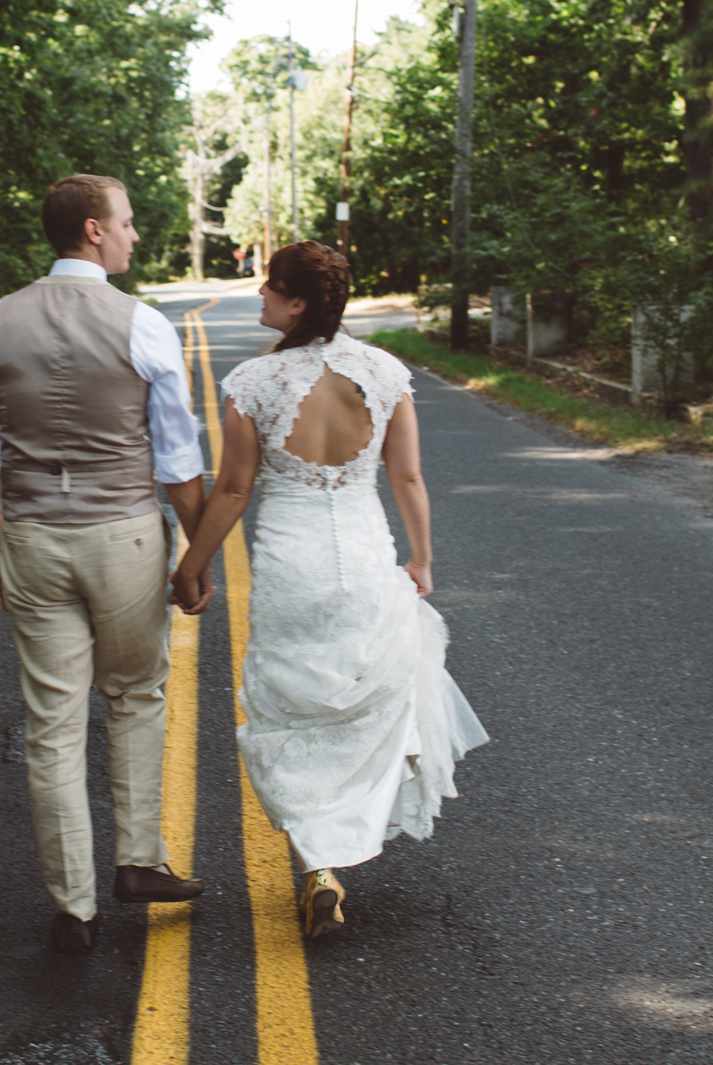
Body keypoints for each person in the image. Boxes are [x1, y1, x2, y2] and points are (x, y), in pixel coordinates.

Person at [171, 240, 488, 938]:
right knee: (364, 699)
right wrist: (422, 558)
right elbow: (407, 478)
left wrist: (192, 562)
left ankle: (319, 866)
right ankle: (342, 839)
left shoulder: (254, 382)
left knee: (293, 708)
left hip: (291, 561)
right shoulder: (384, 373)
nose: (259, 297)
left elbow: (232, 488)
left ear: (299, 302)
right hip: (366, 554)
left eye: (269, 288)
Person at [0, 174, 215, 955]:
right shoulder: (142, 324)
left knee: (53, 722)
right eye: (129, 222)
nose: (136, 235)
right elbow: (176, 454)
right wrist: (195, 553)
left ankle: (73, 905)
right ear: (94, 231)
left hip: (33, 533)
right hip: (124, 535)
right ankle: (138, 861)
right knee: (136, 693)